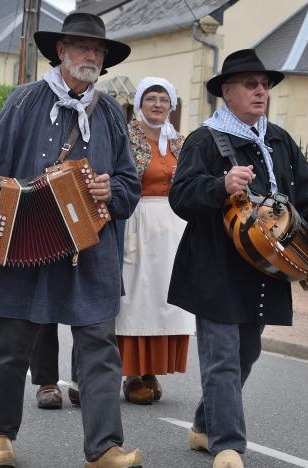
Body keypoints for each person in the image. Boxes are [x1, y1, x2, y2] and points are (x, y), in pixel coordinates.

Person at [0, 13, 143, 468]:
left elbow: (129, 182)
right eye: (81, 47)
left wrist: (112, 193)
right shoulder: (24, 101)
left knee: (100, 346)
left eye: (98, 50)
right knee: (12, 344)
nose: (90, 56)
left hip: (91, 250)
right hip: (25, 243)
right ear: (59, 52)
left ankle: (104, 451)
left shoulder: (109, 115)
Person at [168, 49, 308, 468]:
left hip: (266, 269)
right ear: (227, 92)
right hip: (214, 266)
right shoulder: (205, 140)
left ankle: (206, 424)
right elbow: (181, 196)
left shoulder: (279, 139)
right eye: (249, 83)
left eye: (264, 83)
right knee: (222, 357)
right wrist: (220, 185)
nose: (260, 90)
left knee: (246, 354)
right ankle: (228, 447)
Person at [115, 77, 195, 405]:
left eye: (164, 99)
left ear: (171, 105)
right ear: (140, 103)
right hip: (137, 220)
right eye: (151, 98)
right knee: (136, 297)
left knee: (165, 298)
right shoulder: (125, 137)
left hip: (173, 226)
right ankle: (132, 372)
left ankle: (152, 371)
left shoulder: (181, 142)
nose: (158, 105)